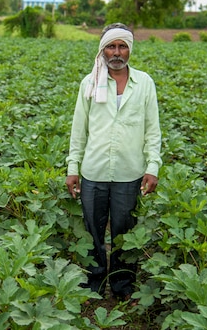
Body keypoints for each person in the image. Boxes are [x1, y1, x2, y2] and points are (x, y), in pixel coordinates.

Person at [65, 22, 162, 301]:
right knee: (93, 231)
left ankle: (122, 287)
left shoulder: (144, 83)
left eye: (122, 46)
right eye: (111, 46)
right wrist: (73, 168)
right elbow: (78, 130)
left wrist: (152, 166)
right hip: (94, 171)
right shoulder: (90, 83)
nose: (116, 52)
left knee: (123, 232)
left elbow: (152, 130)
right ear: (102, 50)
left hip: (129, 173)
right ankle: (93, 285)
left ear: (130, 49)